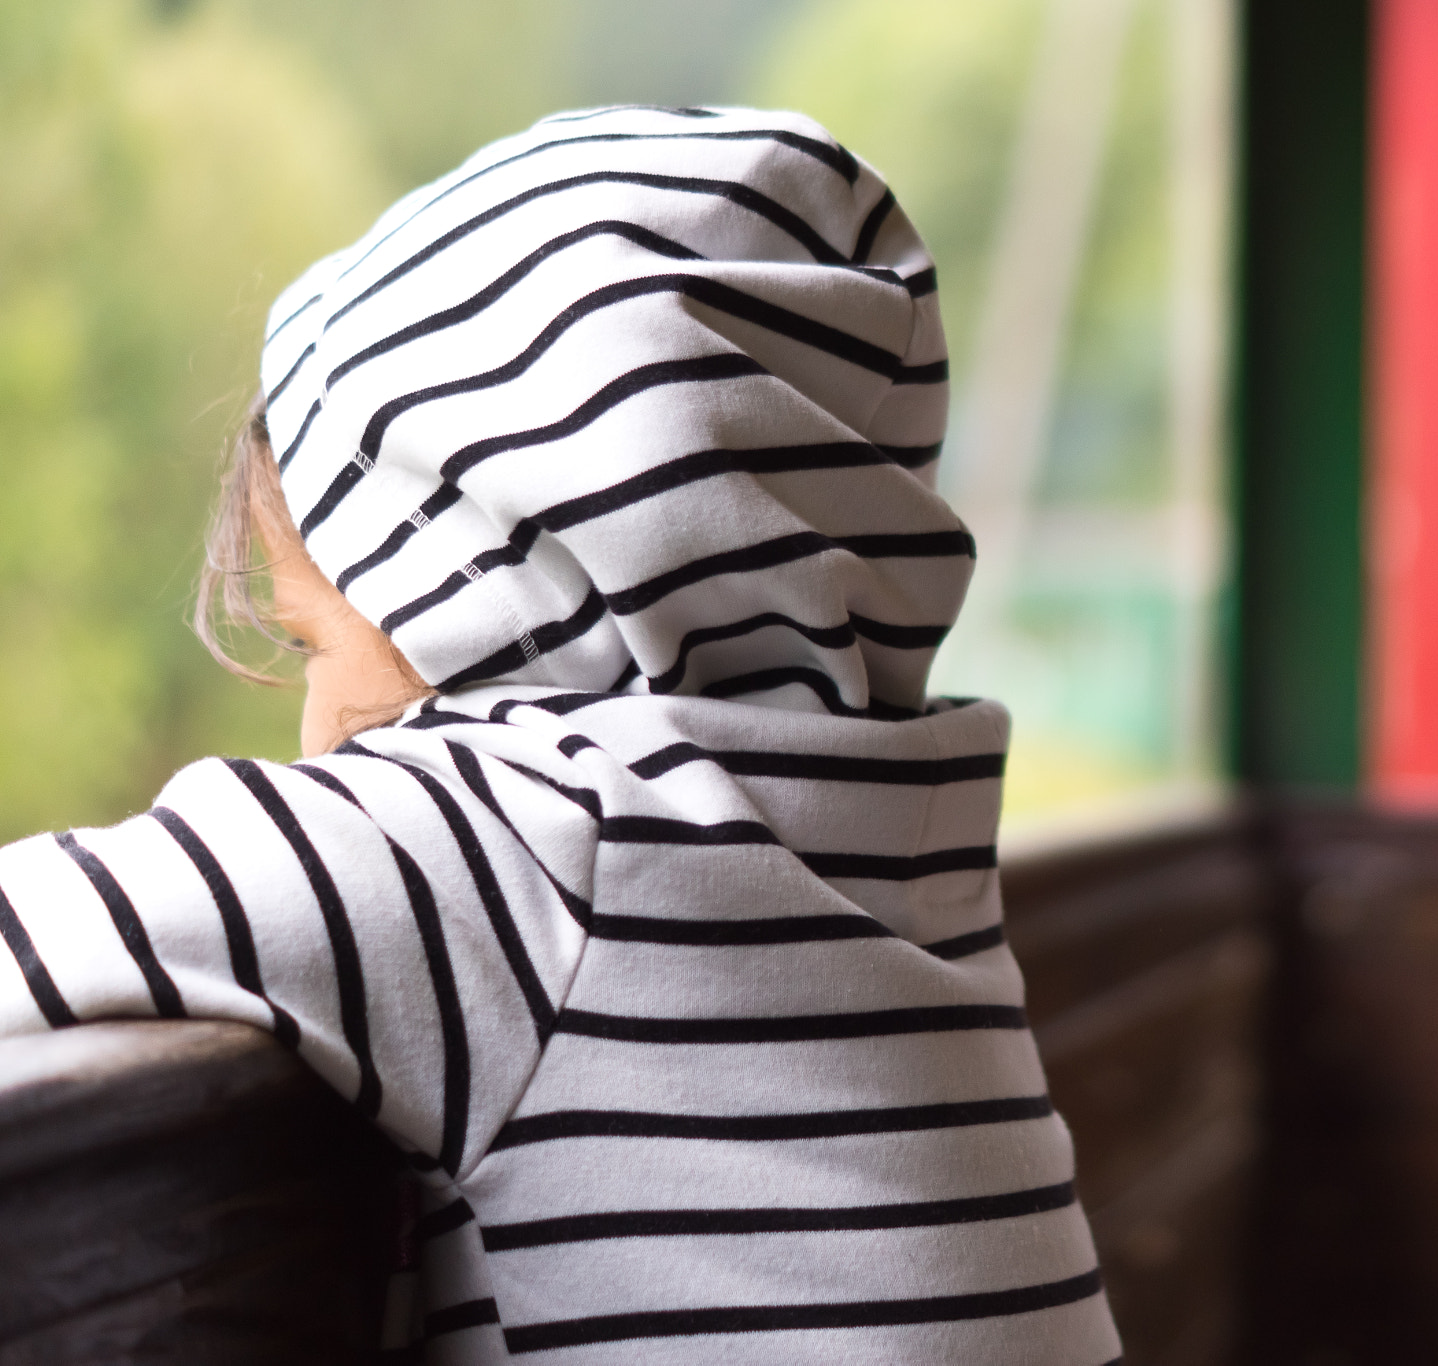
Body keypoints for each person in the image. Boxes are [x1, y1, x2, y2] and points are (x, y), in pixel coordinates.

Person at [0, 107, 1120, 1364]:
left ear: (477, 576)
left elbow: (38, 932)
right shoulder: (900, 826)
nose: (312, 729)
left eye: (317, 639)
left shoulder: (528, 843)